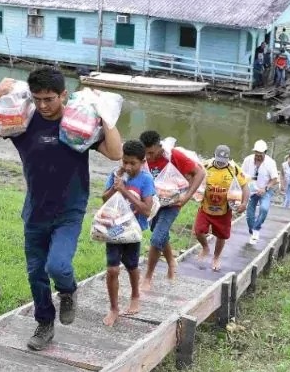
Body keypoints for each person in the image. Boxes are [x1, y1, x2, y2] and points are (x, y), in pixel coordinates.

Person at [0, 69, 122, 351]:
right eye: (37, 98)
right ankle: (45, 323)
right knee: (35, 273)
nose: (43, 105)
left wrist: (105, 115)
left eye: (50, 99)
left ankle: (68, 291)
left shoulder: (79, 122)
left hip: (69, 211)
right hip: (35, 212)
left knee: (58, 265)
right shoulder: (22, 121)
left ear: (63, 95)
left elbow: (115, 153)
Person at [139, 130, 205, 291]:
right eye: (145, 153)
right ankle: (171, 262)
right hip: (155, 203)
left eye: (151, 153)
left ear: (159, 147)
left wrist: (187, 196)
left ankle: (148, 276)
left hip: (173, 203)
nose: (148, 157)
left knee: (156, 239)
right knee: (159, 233)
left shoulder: (173, 156)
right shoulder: (143, 158)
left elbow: (200, 173)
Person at [100, 140, 156, 326]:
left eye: (133, 163)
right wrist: (115, 187)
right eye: (125, 162)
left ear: (142, 162)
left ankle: (135, 295)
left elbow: (146, 210)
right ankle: (114, 308)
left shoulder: (146, 179)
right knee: (112, 269)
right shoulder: (116, 175)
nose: (127, 167)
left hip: (133, 230)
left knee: (132, 266)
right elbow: (104, 200)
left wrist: (125, 191)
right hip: (114, 229)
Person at [194, 145, 249, 271]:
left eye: (223, 161)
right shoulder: (205, 165)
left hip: (224, 210)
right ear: (214, 155)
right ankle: (205, 247)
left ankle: (216, 257)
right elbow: (193, 177)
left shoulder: (234, 169)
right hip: (206, 207)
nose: (220, 163)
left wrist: (244, 203)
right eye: (218, 160)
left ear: (228, 159)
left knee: (222, 236)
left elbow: (245, 187)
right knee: (198, 231)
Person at [241, 139, 280, 245]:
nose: (258, 157)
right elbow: (241, 174)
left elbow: (275, 179)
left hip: (265, 190)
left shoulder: (270, 163)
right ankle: (252, 230)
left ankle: (256, 229)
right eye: (256, 154)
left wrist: (265, 189)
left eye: (260, 155)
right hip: (251, 190)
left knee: (264, 208)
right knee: (249, 215)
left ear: (265, 153)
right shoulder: (248, 160)